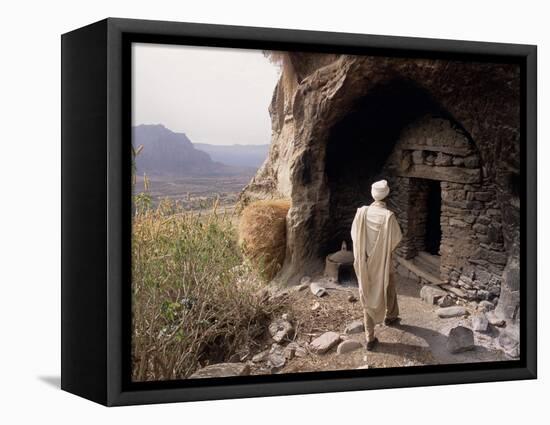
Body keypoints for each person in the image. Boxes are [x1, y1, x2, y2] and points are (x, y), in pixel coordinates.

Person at [350, 179, 403, 351]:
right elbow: (396, 239)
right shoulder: (388, 217)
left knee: (367, 294)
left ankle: (369, 338)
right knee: (389, 285)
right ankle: (391, 316)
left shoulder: (361, 212)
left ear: (372, 194)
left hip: (364, 263)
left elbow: (354, 235)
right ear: (386, 194)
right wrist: (381, 250)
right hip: (383, 262)